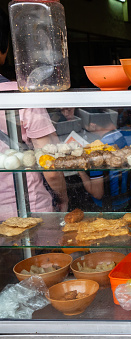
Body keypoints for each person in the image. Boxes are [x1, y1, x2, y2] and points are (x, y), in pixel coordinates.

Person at [0, 8, 68, 217]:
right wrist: (64, 198)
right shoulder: (20, 95)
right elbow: (50, 167)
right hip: (28, 211)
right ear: (5, 48)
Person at [79, 112, 131, 211]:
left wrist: (80, 171)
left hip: (107, 207)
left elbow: (97, 193)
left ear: (92, 126)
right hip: (128, 200)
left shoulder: (98, 153)